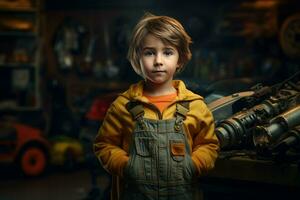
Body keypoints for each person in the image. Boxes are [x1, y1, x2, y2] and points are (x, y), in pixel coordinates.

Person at [94, 13, 219, 200]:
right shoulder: (123, 105)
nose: (158, 61)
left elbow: (209, 145)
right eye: (149, 52)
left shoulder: (196, 106)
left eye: (167, 52)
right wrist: (125, 166)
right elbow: (104, 145)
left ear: (181, 59)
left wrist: (194, 165)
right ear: (137, 58)